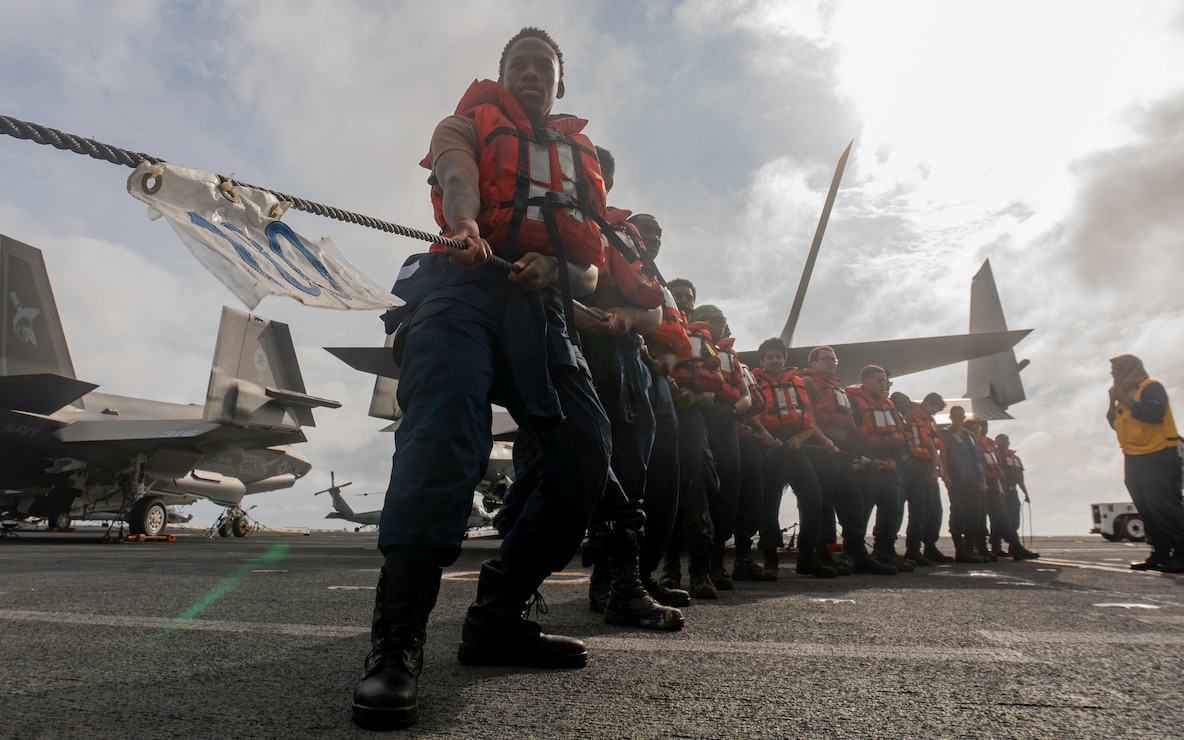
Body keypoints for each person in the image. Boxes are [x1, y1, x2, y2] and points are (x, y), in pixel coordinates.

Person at [352, 28, 613, 730]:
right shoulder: (463, 123)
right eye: (518, 65)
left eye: (543, 68)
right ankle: (395, 646)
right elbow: (456, 174)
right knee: (443, 437)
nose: (530, 74)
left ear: (559, 84)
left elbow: (591, 268)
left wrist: (554, 271)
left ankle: (497, 616)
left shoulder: (577, 159)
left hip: (540, 309)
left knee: (585, 457)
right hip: (459, 287)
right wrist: (466, 227)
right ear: (502, 76)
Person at [575, 146, 683, 631]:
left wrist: (625, 320)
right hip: (567, 351)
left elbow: (655, 311)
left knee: (633, 473)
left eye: (599, 173)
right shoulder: (544, 217)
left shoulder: (623, 238)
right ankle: (511, 593)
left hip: (624, 361)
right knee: (566, 468)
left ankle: (620, 582)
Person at [799, 347, 894, 575]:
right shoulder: (808, 382)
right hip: (820, 449)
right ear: (813, 363)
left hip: (841, 451)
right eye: (825, 359)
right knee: (822, 505)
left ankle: (857, 554)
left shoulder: (836, 387)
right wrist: (824, 441)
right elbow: (807, 415)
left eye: (834, 359)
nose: (831, 363)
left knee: (853, 502)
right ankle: (819, 555)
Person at [749, 337, 836, 578]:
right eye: (770, 357)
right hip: (769, 446)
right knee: (769, 504)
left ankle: (807, 556)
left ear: (784, 359)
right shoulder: (754, 381)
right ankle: (770, 558)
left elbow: (808, 420)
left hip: (796, 446)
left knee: (814, 498)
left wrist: (800, 438)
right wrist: (765, 435)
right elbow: (750, 412)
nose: (775, 360)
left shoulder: (796, 383)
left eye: (779, 356)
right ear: (762, 361)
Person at [1107, 354, 1184, 573]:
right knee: (1146, 507)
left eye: (1115, 369)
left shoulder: (1151, 387)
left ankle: (1181, 552)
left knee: (1165, 505)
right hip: (1134, 456)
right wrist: (1113, 402)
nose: (1112, 374)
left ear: (1127, 369)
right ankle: (1160, 552)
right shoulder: (1126, 393)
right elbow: (1115, 423)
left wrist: (1126, 400)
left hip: (1159, 454)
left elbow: (1154, 414)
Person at [846, 365, 913, 572]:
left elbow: (901, 434)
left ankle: (885, 551)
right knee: (860, 511)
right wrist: (869, 460)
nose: (883, 384)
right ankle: (852, 553)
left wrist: (894, 459)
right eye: (878, 380)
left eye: (884, 380)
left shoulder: (890, 405)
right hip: (868, 466)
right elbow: (851, 434)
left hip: (891, 467)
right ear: (864, 381)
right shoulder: (854, 403)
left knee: (893, 510)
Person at [942, 406, 987, 563]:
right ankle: (960, 550)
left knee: (973, 517)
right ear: (951, 417)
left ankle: (969, 549)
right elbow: (944, 456)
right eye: (955, 415)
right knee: (958, 515)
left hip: (973, 482)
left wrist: (982, 479)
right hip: (957, 481)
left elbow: (976, 459)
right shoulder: (946, 433)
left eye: (961, 415)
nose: (958, 418)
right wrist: (946, 476)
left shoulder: (969, 435)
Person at [995, 434, 1029, 545]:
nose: (1004, 444)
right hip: (1001, 491)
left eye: (1005, 441)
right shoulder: (995, 456)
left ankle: (1012, 544)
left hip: (1013, 491)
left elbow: (1020, 478)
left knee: (1014, 518)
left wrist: (1026, 493)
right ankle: (997, 544)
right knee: (999, 519)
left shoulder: (1015, 458)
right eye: (1001, 441)